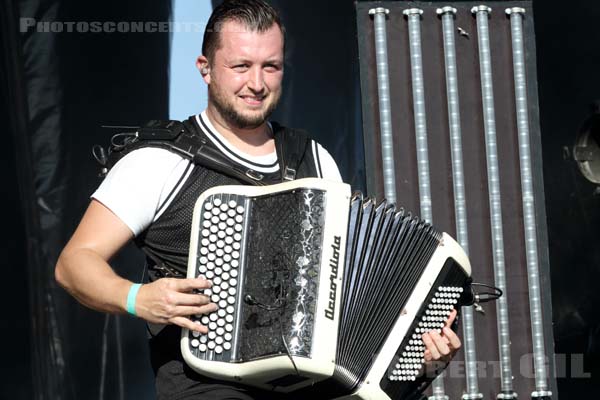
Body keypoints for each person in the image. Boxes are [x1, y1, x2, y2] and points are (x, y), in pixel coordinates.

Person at [55, 1, 461, 399]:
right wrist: (137, 298)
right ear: (205, 69)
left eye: (271, 66)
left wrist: (412, 356)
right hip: (206, 386)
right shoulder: (159, 161)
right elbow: (74, 263)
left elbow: (347, 302)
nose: (257, 83)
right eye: (241, 66)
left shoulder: (314, 159)